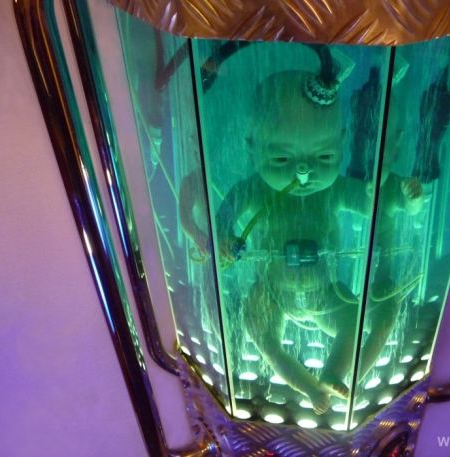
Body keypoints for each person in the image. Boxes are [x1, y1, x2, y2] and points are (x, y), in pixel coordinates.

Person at [178, 69, 423, 414]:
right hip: (272, 292)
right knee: (261, 333)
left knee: (357, 320)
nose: (303, 174)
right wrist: (222, 240)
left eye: (324, 158)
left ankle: (336, 373)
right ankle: (309, 388)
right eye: (282, 159)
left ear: (341, 143)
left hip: (327, 293)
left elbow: (379, 201)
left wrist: (408, 200)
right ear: (252, 148)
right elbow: (223, 222)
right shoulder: (252, 189)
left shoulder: (335, 189)